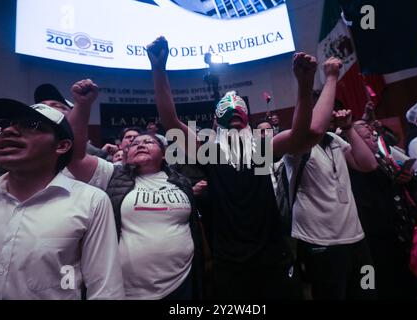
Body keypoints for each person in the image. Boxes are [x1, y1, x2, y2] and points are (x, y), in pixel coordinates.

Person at [145, 36, 337, 299]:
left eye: (239, 111)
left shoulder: (260, 149)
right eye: (227, 112)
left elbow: (300, 134)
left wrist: (304, 85)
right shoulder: (210, 152)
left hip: (273, 256)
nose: (234, 111)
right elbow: (170, 122)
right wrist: (158, 69)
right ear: (216, 121)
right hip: (230, 261)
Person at [61, 81, 203, 300]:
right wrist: (82, 105)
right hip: (128, 290)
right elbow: (75, 155)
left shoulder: (180, 181)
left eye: (149, 142)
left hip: (182, 284)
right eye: (134, 143)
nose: (140, 144)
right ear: (125, 154)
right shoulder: (112, 175)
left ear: (164, 154)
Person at [0, 98, 124, 299]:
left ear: (62, 146)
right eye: (4, 125)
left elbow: (105, 290)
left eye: (30, 125)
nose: (8, 131)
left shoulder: (90, 201)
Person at [286, 102, 379, 299]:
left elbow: (369, 164)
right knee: (331, 295)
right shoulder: (296, 143)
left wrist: (348, 128)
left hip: (356, 238)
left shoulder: (335, 139)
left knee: (366, 291)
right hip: (320, 241)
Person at [350, 120, 417, 299]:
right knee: (383, 280)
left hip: (398, 228)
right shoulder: (354, 164)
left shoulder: (383, 157)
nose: (374, 139)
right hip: (375, 232)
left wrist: (405, 178)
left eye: (373, 135)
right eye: (367, 137)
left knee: (405, 277)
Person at [34, 83, 108, 159]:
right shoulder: (26, 152)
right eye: (41, 106)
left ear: (73, 116)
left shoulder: (96, 157)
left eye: (56, 106)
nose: (46, 108)